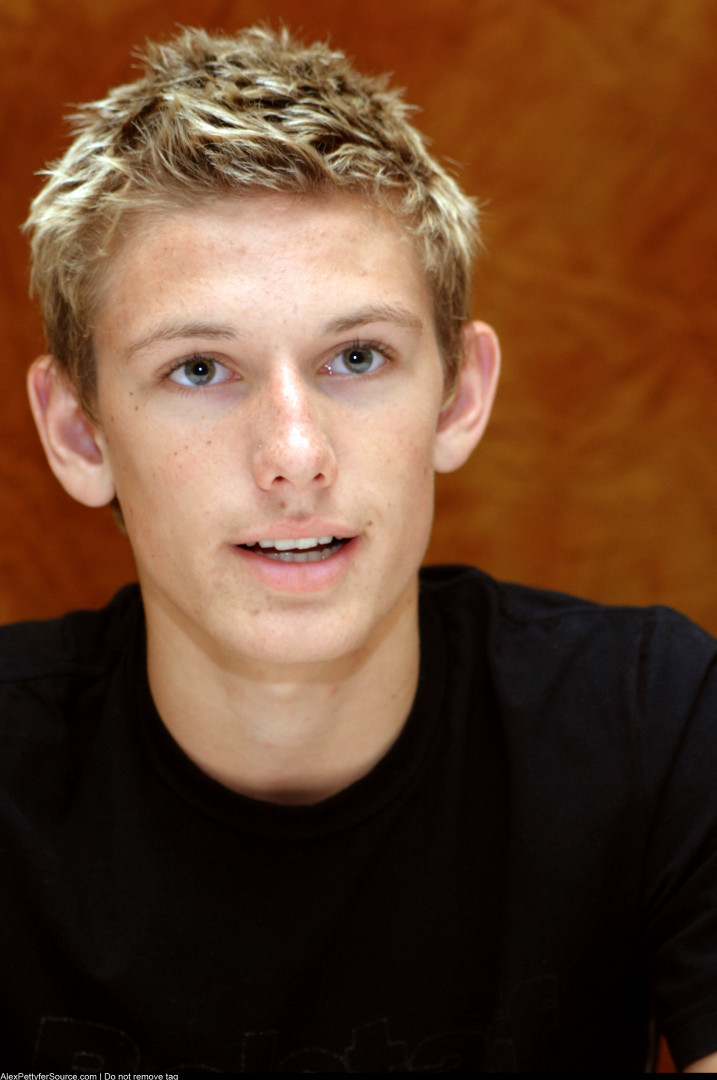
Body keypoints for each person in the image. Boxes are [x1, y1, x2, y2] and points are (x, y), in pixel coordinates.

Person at [3, 23, 717, 1072]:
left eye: (356, 357)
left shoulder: (658, 724)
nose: (295, 457)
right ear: (80, 433)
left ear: (459, 399)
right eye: (199, 369)